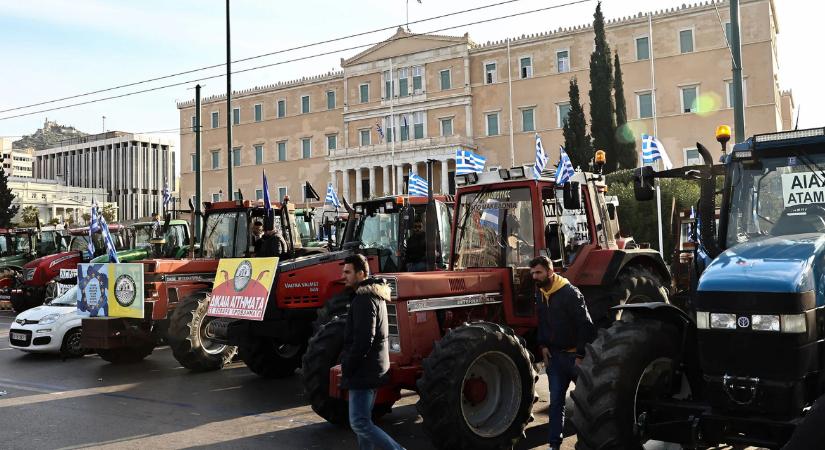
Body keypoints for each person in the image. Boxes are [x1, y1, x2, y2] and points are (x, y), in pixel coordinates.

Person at [529, 255, 594, 450]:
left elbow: (586, 325)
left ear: (550, 272)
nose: (534, 276)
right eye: (532, 273)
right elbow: (542, 323)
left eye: (538, 272)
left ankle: (590, 442)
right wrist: (544, 346)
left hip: (575, 359)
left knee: (587, 404)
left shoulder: (570, 293)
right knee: (556, 403)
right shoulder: (540, 294)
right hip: (555, 359)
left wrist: (581, 355)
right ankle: (554, 445)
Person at [340, 254, 404, 450]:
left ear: (361, 273)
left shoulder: (364, 300)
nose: (344, 276)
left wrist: (347, 366)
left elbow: (363, 340)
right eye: (344, 272)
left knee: (359, 422)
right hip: (372, 367)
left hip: (364, 371)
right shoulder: (373, 295)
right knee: (364, 421)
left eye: (348, 272)